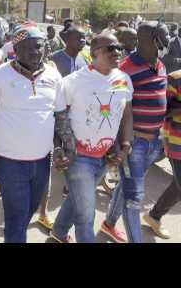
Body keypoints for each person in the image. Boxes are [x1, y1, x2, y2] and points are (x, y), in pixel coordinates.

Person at [0, 26, 66, 243]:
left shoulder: (54, 76)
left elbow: (61, 116)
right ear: (15, 49)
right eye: (28, 47)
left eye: (39, 47)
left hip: (42, 161)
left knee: (27, 214)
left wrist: (65, 148)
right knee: (17, 221)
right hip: (10, 162)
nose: (36, 52)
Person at [50, 34, 134, 243]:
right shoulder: (72, 82)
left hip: (106, 157)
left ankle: (58, 233)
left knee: (78, 200)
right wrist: (59, 149)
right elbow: (57, 118)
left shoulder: (124, 79)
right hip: (78, 157)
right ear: (94, 51)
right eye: (110, 48)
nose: (117, 53)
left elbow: (126, 115)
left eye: (119, 48)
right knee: (86, 216)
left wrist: (124, 146)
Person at [101, 21, 170, 243]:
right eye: (163, 35)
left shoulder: (160, 65)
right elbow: (112, 109)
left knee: (127, 185)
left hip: (154, 144)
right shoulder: (124, 69)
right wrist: (117, 144)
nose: (167, 40)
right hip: (133, 144)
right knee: (134, 198)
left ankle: (109, 223)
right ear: (148, 38)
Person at [143, 67, 181, 239]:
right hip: (176, 142)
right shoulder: (175, 78)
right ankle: (154, 216)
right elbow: (162, 110)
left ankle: (154, 216)